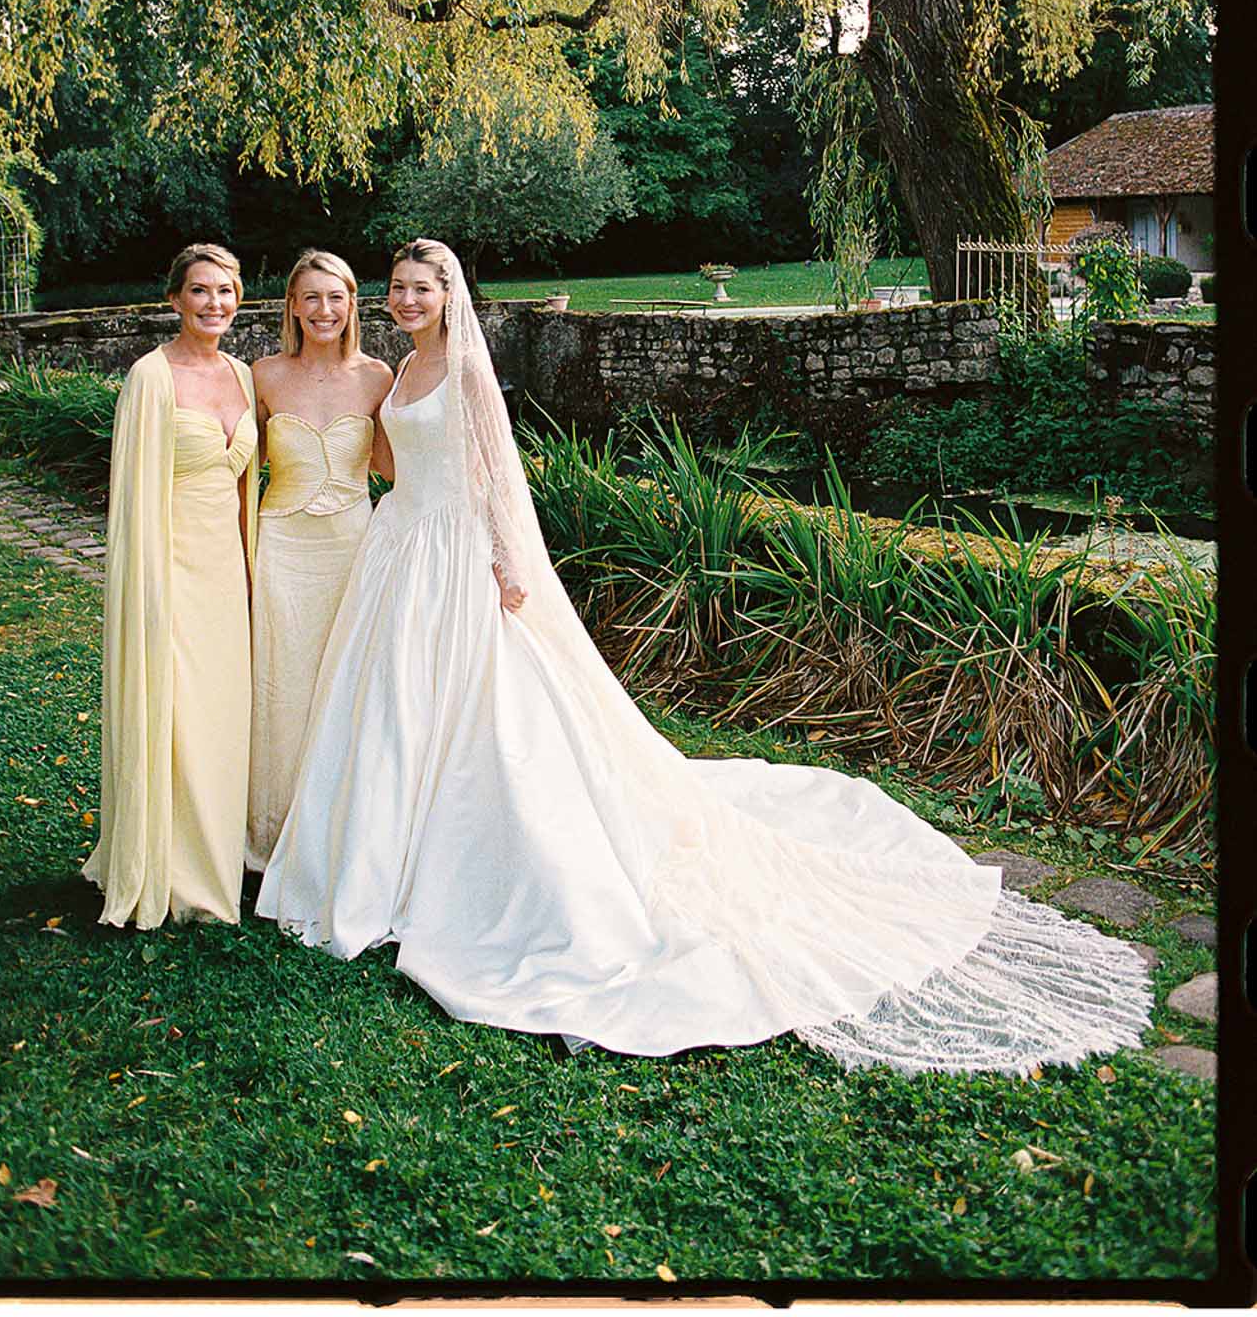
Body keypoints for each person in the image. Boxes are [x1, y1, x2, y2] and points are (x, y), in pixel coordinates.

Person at [258, 238, 1152, 1070]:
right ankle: (382, 851)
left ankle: (460, 863)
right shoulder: (399, 369)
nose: (409, 300)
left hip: (458, 557)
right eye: (401, 289)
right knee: (392, 708)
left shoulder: (461, 366)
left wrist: (503, 562)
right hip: (401, 550)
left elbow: (498, 471)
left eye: (425, 288)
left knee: (476, 712)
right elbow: (387, 460)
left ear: (451, 295)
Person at [83, 243, 258, 929]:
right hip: (170, 568)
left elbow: (248, 485)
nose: (215, 303)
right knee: (177, 711)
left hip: (227, 571)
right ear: (175, 299)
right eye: (200, 291)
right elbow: (131, 496)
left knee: (223, 716)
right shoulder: (149, 377)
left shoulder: (244, 374)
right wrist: (145, 589)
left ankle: (219, 851)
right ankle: (173, 865)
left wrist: (251, 572)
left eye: (226, 291)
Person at [246, 250, 393, 869]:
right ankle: (272, 829)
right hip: (281, 543)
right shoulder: (262, 375)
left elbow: (395, 467)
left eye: (336, 298)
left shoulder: (379, 377)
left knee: (345, 681)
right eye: (310, 298)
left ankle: (339, 829)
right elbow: (238, 466)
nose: (324, 310)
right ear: (292, 307)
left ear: (352, 304)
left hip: (352, 547)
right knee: (280, 684)